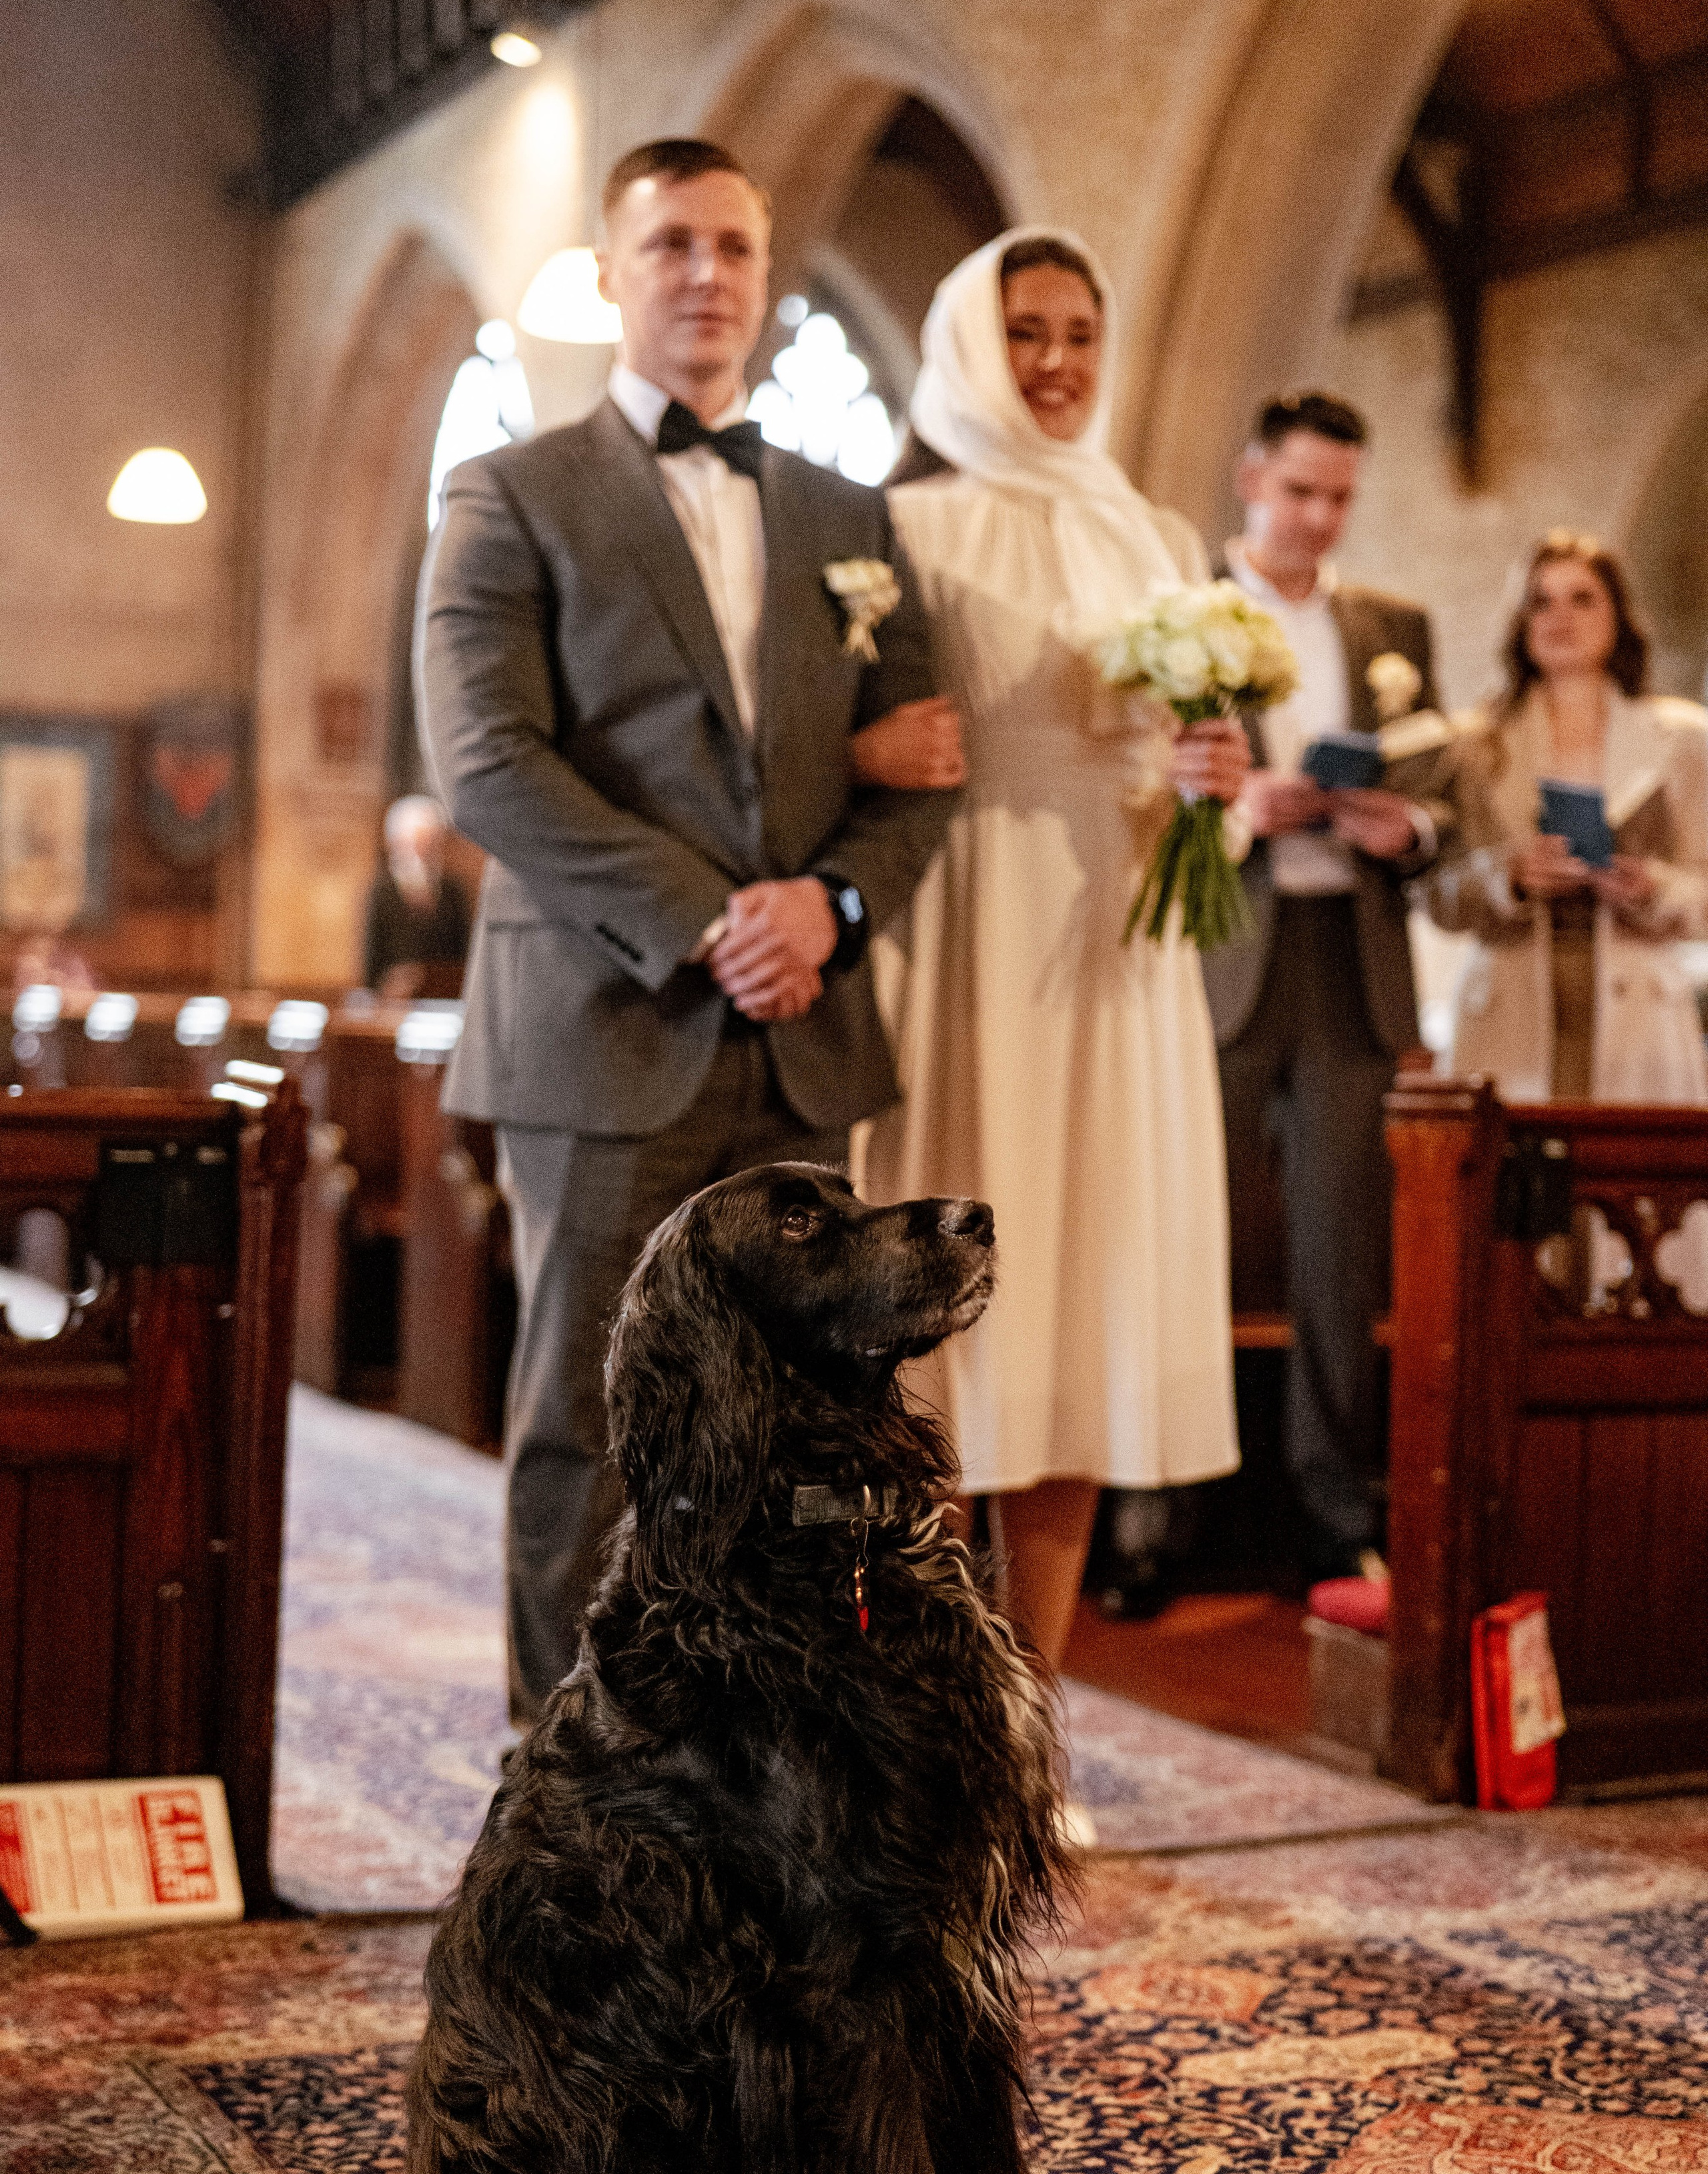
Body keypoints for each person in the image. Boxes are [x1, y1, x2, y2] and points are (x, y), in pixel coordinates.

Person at [418, 138, 961, 1718]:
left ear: (766, 273)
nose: (705, 275)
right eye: (669, 245)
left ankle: (770, 1760)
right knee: (594, 1414)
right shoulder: (511, 491)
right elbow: (485, 761)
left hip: (801, 1034)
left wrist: (830, 907)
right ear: (611, 275)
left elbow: (924, 760)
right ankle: (573, 1770)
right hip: (607, 1021)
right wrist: (712, 918)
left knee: (805, 1426)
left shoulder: (847, 514)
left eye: (733, 245)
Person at [855, 230, 1245, 1680]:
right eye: (1026, 332)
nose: (1057, 361)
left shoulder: (1158, 537)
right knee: (952, 1324)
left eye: (1080, 333)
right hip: (966, 930)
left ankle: (1028, 1717)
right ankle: (925, 1710)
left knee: (1086, 1318)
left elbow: (1185, 763)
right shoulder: (903, 524)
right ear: (970, 340)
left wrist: (1215, 783)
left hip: (1117, 944)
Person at [1204, 390, 1456, 1582]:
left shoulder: (1392, 627)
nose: (1319, 517)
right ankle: (1159, 1516)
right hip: (1220, 953)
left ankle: (1332, 1509)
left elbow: (1441, 794)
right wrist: (1237, 808)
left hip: (1352, 960)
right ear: (1252, 477)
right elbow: (1137, 789)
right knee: (1186, 1233)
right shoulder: (1188, 611)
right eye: (1301, 490)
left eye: (1341, 497)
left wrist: (1407, 827)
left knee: (1341, 1252)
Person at [1427, 531, 1708, 1100]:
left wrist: (1653, 887)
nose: (1560, 617)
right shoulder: (1474, 744)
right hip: (1509, 1006)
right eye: (1541, 601)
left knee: (1627, 1157)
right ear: (1521, 622)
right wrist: (1509, 876)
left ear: (1618, 617)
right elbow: (1435, 891)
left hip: (1639, 1011)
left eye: (1583, 599)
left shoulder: (1683, 741)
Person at [362, 794, 472, 998]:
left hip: (444, 999)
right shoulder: (382, 892)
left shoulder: (453, 891)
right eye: (417, 841)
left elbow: (464, 954)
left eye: (430, 841)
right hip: (395, 1003)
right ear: (396, 842)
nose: (423, 850)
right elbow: (371, 962)